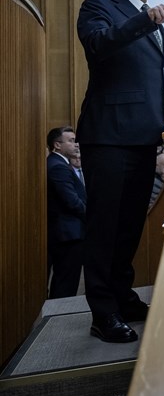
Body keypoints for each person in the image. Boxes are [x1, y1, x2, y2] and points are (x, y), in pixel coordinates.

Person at [76, 0, 164, 343]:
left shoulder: (145, 16)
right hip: (108, 136)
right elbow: (99, 46)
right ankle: (102, 313)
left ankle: (122, 296)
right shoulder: (98, 8)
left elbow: (144, 73)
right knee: (105, 227)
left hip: (143, 138)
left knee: (129, 228)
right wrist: (146, 21)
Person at [46, 127, 86, 299]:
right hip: (68, 233)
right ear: (57, 145)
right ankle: (59, 319)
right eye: (70, 140)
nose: (76, 144)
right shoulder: (57, 166)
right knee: (66, 282)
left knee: (65, 280)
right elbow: (72, 202)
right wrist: (93, 218)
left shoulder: (59, 164)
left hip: (68, 232)